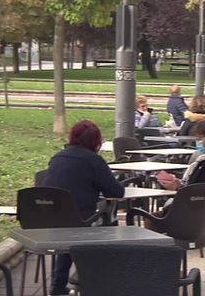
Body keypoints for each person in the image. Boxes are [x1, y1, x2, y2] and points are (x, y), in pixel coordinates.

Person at [43, 120, 125, 295]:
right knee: (107, 221)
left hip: (51, 220)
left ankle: (58, 286)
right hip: (81, 222)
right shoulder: (94, 161)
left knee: (69, 225)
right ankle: (96, 281)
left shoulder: (57, 157)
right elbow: (117, 191)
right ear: (96, 142)